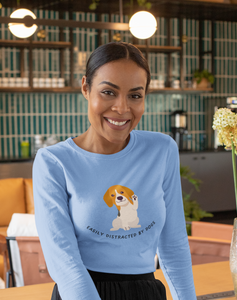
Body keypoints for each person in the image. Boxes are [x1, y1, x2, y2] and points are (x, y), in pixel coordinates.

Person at [33, 42, 196, 300]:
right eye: (109, 92)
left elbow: (174, 245)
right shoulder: (53, 162)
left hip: (147, 292)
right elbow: (64, 262)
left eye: (135, 95)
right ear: (86, 87)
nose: (122, 108)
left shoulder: (162, 149)